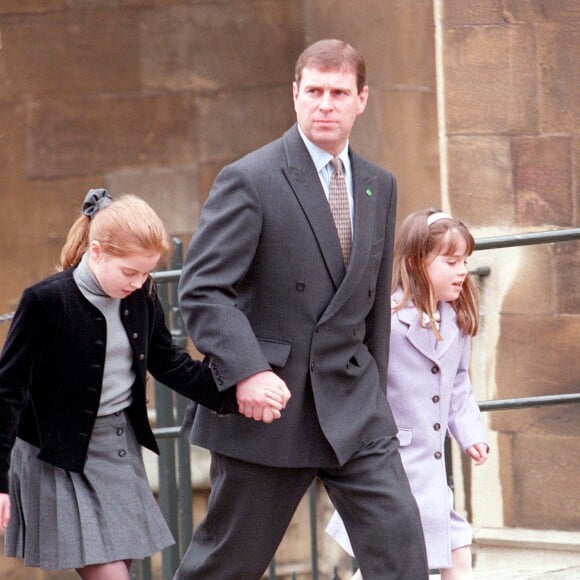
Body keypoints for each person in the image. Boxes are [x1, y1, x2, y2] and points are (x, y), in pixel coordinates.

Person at [175, 39, 429, 579]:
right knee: (227, 565)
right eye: (313, 91)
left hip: (353, 406)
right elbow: (201, 290)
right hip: (269, 409)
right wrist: (246, 371)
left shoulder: (378, 186)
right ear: (295, 95)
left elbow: (372, 310)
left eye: (339, 92)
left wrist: (376, 394)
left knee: (402, 548)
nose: (325, 104)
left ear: (362, 99)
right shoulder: (250, 179)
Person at [0, 189, 284, 579]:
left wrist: (237, 391)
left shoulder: (141, 296)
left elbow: (169, 363)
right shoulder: (46, 301)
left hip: (117, 449)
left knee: (122, 568)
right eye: (130, 272)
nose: (139, 282)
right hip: (58, 456)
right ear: (96, 252)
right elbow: (7, 392)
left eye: (146, 272)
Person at [326, 208, 490, 579]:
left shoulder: (456, 321)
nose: (462, 270)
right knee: (384, 559)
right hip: (393, 461)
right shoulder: (389, 319)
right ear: (416, 262)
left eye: (465, 261)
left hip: (431, 467)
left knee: (456, 549)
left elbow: (459, 384)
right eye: (450, 261)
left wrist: (471, 435)